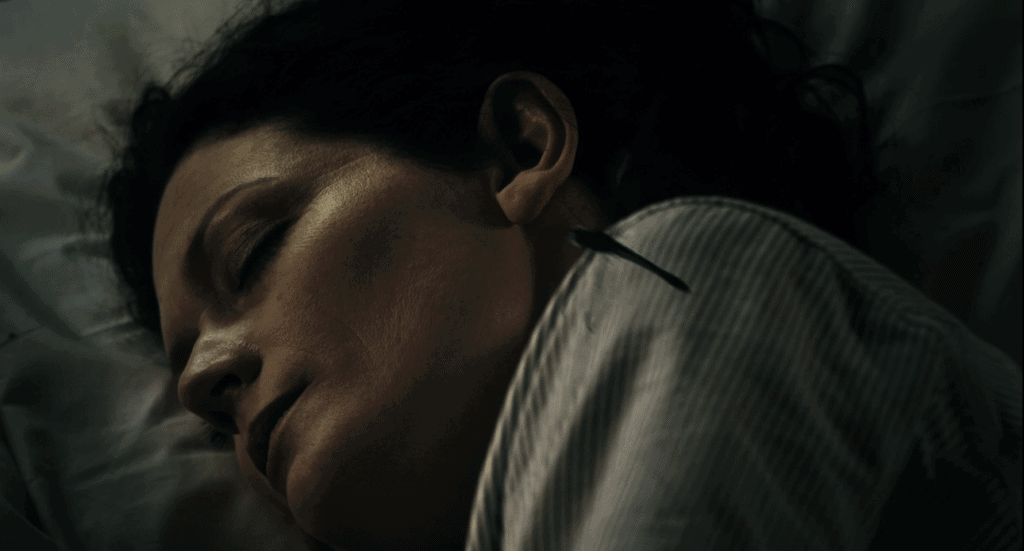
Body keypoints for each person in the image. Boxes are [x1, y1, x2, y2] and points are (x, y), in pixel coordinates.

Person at [94, 0, 1022, 549]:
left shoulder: (693, 280)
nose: (201, 377)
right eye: (207, 420)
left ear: (519, 149)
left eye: (252, 251)